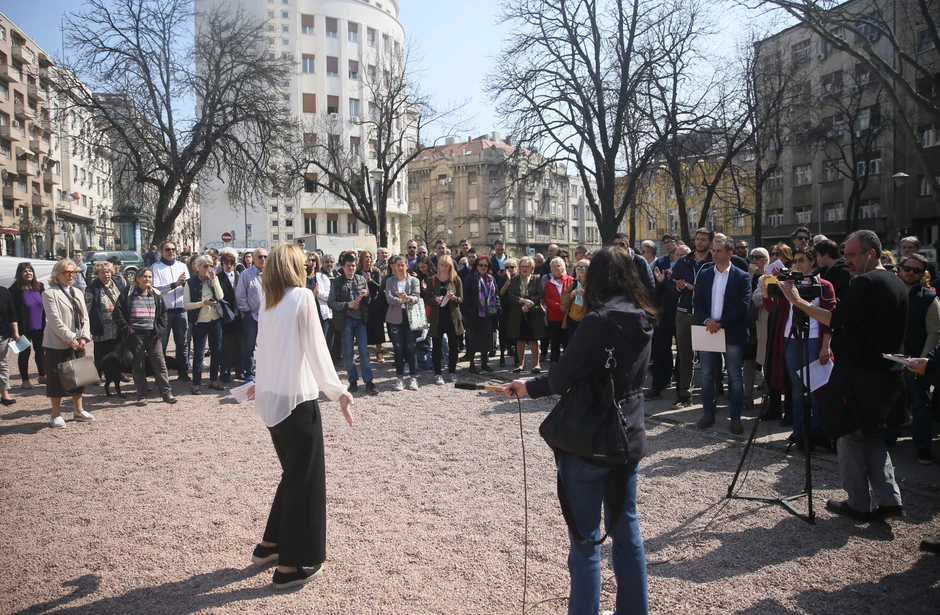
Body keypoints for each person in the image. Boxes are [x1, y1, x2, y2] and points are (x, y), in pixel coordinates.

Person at [501, 247, 655, 615]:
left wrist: (529, 385)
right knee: (626, 534)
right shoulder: (646, 316)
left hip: (591, 436)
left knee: (585, 540)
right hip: (629, 432)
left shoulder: (600, 320)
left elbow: (563, 373)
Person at [778, 230, 907, 522]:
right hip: (886, 372)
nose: (846, 260)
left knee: (848, 435)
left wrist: (798, 302)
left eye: (851, 255)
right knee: (873, 436)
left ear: (870, 254)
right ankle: (890, 499)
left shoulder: (866, 282)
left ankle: (858, 503)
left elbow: (839, 321)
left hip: (859, 374)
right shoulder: (897, 281)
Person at [247, 243, 354, 590]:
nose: (308, 266)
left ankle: (270, 545)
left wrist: (257, 383)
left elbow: (264, 348)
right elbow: (318, 350)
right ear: (294, 267)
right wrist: (338, 391)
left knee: (293, 475)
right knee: (304, 481)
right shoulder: (302, 297)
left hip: (273, 399)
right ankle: (291, 566)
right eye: (304, 262)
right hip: (296, 402)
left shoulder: (269, 300)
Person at [761, 247, 835, 449]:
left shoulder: (824, 285)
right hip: (790, 338)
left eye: (803, 260)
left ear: (813, 262)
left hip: (814, 340)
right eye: (795, 261)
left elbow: (831, 317)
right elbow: (772, 307)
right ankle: (798, 431)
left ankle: (819, 432)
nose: (798, 264)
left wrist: (825, 346)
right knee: (795, 388)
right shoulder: (788, 284)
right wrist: (767, 289)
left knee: (816, 388)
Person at [693, 238, 751, 434]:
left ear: (729, 253)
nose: (714, 254)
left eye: (718, 250)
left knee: (735, 376)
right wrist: (707, 320)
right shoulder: (705, 274)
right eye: (713, 250)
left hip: (731, 331)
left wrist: (721, 322)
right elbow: (698, 300)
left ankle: (735, 417)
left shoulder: (741, 276)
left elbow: (743, 305)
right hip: (708, 330)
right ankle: (708, 413)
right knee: (707, 374)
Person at [112, 267, 177, 406]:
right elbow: (117, 313)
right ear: (137, 278)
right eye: (144, 277)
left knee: (160, 364)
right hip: (135, 335)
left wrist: (159, 330)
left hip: (152, 335)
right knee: (138, 365)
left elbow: (163, 314)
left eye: (149, 277)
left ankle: (166, 393)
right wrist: (126, 328)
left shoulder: (156, 294)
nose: (147, 279)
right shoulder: (128, 293)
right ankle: (142, 394)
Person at [896, 253, 939, 465]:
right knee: (890, 399)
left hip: (916, 360)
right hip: (890, 357)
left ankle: (922, 446)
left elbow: (935, 332)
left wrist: (924, 360)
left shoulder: (929, 298)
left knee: (921, 404)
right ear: (900, 268)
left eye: (917, 270)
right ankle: (888, 437)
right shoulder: (891, 292)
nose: (911, 273)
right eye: (908, 268)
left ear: (924, 274)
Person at [42, 259, 94, 428]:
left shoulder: (78, 292)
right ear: (58, 274)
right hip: (57, 343)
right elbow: (54, 320)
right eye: (67, 272)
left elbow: (85, 316)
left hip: (79, 341)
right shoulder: (50, 294)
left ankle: (78, 410)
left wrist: (84, 337)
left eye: (73, 272)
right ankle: (55, 414)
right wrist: (70, 337)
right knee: (57, 378)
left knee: (79, 376)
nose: (71, 275)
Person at [671, 227, 714, 408]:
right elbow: (671, 287)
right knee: (685, 357)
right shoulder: (684, 261)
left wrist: (695, 287)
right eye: (697, 239)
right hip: (684, 313)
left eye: (703, 239)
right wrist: (680, 287)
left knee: (708, 359)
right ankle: (684, 396)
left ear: (710, 243)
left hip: (705, 315)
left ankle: (710, 396)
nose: (699, 242)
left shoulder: (713, 261)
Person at [328, 253, 378, 395]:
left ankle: (369, 382)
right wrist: (346, 305)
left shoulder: (361, 279)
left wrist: (366, 295)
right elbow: (331, 302)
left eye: (353, 266)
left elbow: (368, 300)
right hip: (345, 320)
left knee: (364, 352)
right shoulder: (337, 282)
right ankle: (353, 382)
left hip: (361, 320)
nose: (351, 268)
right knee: (349, 353)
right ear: (343, 267)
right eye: (348, 266)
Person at [646, 233, 681, 399]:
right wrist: (660, 282)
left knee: (683, 351)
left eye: (670, 242)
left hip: (683, 312)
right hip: (664, 313)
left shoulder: (686, 260)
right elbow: (654, 290)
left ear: (678, 242)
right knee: (661, 350)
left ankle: (682, 387)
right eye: (665, 242)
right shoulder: (660, 262)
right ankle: (659, 385)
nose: (667, 245)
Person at [185, 255, 226, 395]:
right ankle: (196, 384)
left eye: (210, 266)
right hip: (200, 322)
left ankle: (213, 381)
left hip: (215, 320)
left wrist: (214, 279)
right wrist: (203, 303)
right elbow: (186, 304)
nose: (208, 268)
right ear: (198, 267)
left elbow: (220, 297)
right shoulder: (190, 283)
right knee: (199, 353)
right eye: (205, 266)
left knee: (217, 351)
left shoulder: (213, 280)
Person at [152, 241, 192, 382]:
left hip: (181, 310)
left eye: (173, 249)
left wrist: (186, 284)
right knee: (161, 345)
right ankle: (161, 374)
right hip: (164, 312)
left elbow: (188, 285)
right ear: (161, 252)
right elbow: (156, 289)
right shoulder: (156, 267)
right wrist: (174, 284)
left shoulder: (181, 266)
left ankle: (183, 371)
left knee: (183, 343)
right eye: (168, 249)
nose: (171, 252)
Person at [385, 255, 422, 390]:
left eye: (402, 265)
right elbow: (389, 298)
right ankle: (399, 378)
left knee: (411, 348)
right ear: (394, 266)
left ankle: (413, 378)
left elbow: (417, 296)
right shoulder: (390, 281)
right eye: (397, 265)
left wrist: (408, 298)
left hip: (410, 317)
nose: (400, 268)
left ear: (407, 266)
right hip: (395, 318)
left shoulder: (414, 280)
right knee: (398, 348)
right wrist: (402, 300)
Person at [425, 255, 463, 385]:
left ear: (451, 266)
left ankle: (452, 372)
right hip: (437, 318)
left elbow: (461, 299)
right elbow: (426, 299)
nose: (444, 268)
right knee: (436, 346)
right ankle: (437, 374)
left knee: (453, 346)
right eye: (442, 265)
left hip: (452, 318)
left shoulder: (456, 279)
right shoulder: (432, 280)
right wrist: (435, 300)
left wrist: (453, 298)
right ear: (439, 266)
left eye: (447, 265)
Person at [9, 263, 46, 389]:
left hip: (39, 325)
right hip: (23, 327)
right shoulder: (14, 290)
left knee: (40, 351)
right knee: (24, 353)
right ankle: (25, 380)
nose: (28, 273)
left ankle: (42, 375)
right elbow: (12, 310)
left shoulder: (40, 287)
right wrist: (14, 331)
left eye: (30, 271)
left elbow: (45, 305)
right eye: (25, 271)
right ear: (20, 274)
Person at [84, 261, 122, 384]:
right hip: (102, 325)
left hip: (117, 325)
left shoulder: (117, 285)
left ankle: (116, 373)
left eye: (108, 271)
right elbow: (88, 309)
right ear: (97, 274)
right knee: (101, 352)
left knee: (116, 350)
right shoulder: (92, 288)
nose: (106, 274)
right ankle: (97, 375)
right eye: (102, 272)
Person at [461, 255, 499, 374]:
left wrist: (497, 307)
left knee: (486, 340)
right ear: (476, 266)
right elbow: (465, 298)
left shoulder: (491, 279)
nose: (483, 267)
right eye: (481, 265)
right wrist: (468, 313)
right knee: (473, 340)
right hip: (474, 314)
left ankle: (484, 363)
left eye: (485, 265)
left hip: (488, 314)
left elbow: (496, 295)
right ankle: (472, 364)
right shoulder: (470, 279)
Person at [508, 256, 545, 374]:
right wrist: (522, 301)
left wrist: (529, 304)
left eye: (527, 266)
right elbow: (511, 295)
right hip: (518, 313)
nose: (524, 269)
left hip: (533, 314)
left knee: (533, 340)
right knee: (520, 339)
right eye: (522, 266)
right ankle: (520, 364)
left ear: (532, 268)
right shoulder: (514, 279)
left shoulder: (537, 279)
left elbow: (540, 294)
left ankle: (536, 364)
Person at [235, 247, 267, 382]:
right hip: (251, 315)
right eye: (260, 257)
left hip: (269, 317)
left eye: (265, 257)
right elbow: (240, 295)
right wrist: (247, 312)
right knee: (249, 346)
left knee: (268, 346)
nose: (263, 259)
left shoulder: (272, 274)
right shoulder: (246, 274)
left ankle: (266, 372)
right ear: (254, 258)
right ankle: (249, 373)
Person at [217, 248, 243, 383]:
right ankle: (225, 373)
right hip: (225, 316)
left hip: (238, 315)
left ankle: (239, 371)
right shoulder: (219, 278)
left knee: (239, 345)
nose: (229, 265)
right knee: (225, 346)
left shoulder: (239, 275)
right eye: (226, 262)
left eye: (231, 262)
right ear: (222, 264)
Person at [543, 256, 574, 363]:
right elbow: (547, 299)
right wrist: (559, 306)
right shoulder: (548, 283)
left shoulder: (571, 280)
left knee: (567, 341)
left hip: (567, 316)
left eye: (558, 265)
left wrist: (565, 306)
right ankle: (554, 363)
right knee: (555, 342)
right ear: (551, 268)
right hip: (554, 316)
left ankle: (567, 362)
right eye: (554, 266)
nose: (556, 268)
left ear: (563, 267)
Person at [357, 250, 386, 363]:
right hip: (362, 303)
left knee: (377, 328)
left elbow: (379, 287)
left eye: (369, 257)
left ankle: (379, 352)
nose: (368, 259)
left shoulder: (376, 271)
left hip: (374, 303)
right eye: (365, 257)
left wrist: (371, 281)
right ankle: (363, 352)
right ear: (361, 259)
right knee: (363, 329)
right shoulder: (358, 272)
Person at [496, 257, 517, 367]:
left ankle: (517, 358)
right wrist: (508, 281)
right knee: (503, 334)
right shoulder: (502, 278)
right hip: (505, 309)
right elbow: (501, 293)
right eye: (506, 267)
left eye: (511, 267)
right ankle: (502, 357)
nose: (509, 269)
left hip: (516, 309)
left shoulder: (519, 278)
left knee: (517, 334)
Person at [560, 259, 589, 339]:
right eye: (578, 267)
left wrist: (586, 295)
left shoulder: (593, 284)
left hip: (586, 321)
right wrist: (571, 295)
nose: (580, 269)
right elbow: (563, 301)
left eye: (584, 267)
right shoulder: (574, 283)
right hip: (572, 321)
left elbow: (598, 301)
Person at [0, 283, 19, 406]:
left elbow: (12, 313)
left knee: (2, 364)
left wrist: (15, 332)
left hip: (2, 334)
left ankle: (4, 393)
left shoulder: (4, 292)